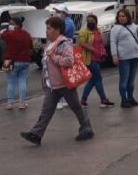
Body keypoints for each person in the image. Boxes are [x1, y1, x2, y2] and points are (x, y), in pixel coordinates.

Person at [20, 16, 94, 146]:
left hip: (64, 83)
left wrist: (53, 56)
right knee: (46, 110)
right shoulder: (50, 44)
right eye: (46, 28)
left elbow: (69, 61)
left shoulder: (64, 43)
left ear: (58, 30)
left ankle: (87, 128)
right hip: (53, 85)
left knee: (76, 106)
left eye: (49, 29)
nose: (46, 31)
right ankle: (36, 134)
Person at [110, 8, 138, 108]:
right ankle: (124, 100)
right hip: (123, 58)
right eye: (120, 16)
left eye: (123, 16)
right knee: (124, 80)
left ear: (128, 17)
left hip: (134, 56)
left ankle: (130, 97)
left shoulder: (133, 26)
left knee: (131, 80)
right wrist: (114, 56)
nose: (121, 18)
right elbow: (113, 42)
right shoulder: (115, 28)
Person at [78, 14, 115, 108]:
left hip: (98, 57)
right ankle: (103, 99)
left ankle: (83, 100)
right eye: (88, 20)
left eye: (92, 20)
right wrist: (93, 50)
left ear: (96, 21)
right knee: (98, 78)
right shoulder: (83, 31)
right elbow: (82, 43)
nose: (90, 22)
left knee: (92, 80)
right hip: (90, 58)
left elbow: (101, 42)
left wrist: (103, 51)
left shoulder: (98, 30)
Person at [0, 17, 34, 110]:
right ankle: (22, 103)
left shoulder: (10, 34)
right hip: (25, 61)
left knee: (11, 82)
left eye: (12, 23)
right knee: (22, 81)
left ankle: (9, 103)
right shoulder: (27, 34)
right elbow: (31, 46)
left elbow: (2, 36)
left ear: (17, 25)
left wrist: (8, 29)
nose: (10, 25)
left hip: (12, 61)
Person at [52, 4, 75, 110]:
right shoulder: (62, 22)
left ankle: (65, 99)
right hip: (60, 47)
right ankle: (63, 99)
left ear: (64, 13)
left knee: (64, 74)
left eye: (59, 11)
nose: (57, 13)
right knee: (60, 74)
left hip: (65, 48)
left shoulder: (68, 22)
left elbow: (60, 32)